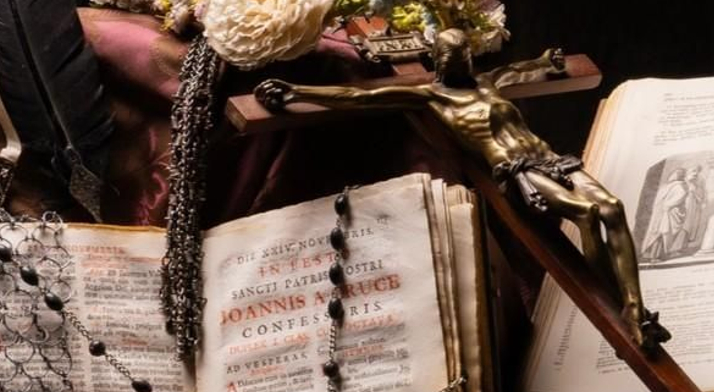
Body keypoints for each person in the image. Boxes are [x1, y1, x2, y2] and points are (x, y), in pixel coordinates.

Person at [255, 30, 669, 347]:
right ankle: (614, 305)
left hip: (550, 158)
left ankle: (633, 305)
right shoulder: (427, 95)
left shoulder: (488, 83)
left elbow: (526, 68)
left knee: (611, 207)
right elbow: (356, 97)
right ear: (439, 60)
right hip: (517, 172)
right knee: (586, 214)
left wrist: (548, 60)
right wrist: (297, 92)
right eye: (452, 57)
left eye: (465, 55)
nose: (460, 62)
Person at [641, 167, 690, 261]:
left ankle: (657, 255)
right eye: (675, 173)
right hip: (664, 213)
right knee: (660, 233)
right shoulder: (671, 186)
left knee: (663, 234)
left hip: (669, 213)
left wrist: (667, 205)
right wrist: (664, 206)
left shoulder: (679, 186)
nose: (673, 175)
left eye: (677, 173)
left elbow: (680, 197)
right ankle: (652, 255)